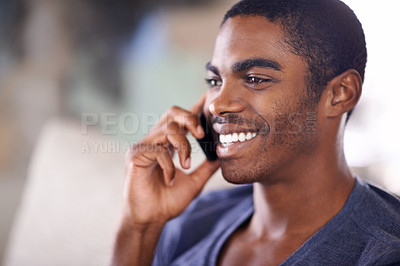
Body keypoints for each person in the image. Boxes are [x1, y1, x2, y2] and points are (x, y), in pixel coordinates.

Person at [112, 0, 400, 265]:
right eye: (214, 80)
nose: (218, 105)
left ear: (340, 94)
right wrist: (140, 227)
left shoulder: (383, 253)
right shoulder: (195, 221)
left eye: (254, 79)